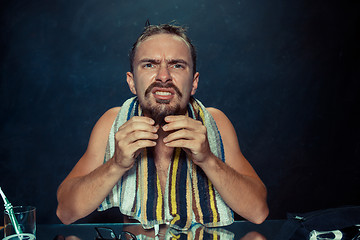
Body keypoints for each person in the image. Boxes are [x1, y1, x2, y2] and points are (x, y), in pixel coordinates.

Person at [56, 23, 269, 230]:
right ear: (131, 82)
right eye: (149, 64)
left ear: (194, 82)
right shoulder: (113, 123)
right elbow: (66, 212)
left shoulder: (215, 122)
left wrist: (207, 159)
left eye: (177, 65)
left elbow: (258, 212)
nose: (164, 76)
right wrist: (116, 164)